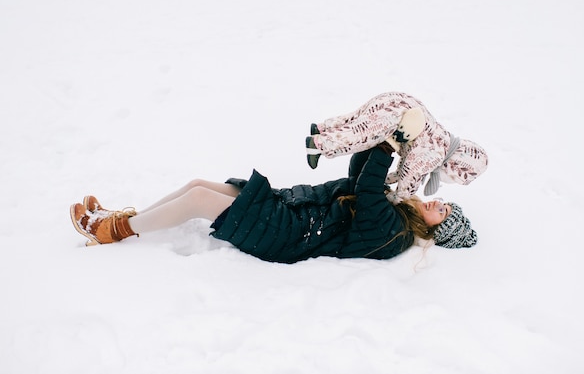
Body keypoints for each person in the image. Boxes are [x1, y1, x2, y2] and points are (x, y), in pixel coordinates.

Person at [70, 145, 478, 264]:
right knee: (198, 183)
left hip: (288, 234)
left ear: (435, 229)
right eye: (443, 202)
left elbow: (367, 192)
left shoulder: (394, 234)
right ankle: (130, 217)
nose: (437, 203)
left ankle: (114, 231)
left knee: (197, 200)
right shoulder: (397, 209)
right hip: (290, 208)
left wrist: (390, 150)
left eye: (443, 212)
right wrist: (376, 141)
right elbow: (359, 178)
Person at [306, 91, 489, 203]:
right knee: (362, 135)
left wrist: (387, 179)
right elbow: (411, 174)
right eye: (456, 178)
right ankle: (319, 144)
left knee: (357, 119)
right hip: (395, 115)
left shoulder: (441, 139)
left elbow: (405, 165)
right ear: (457, 167)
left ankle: (323, 129)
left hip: (397, 102)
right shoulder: (436, 152)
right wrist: (400, 198)